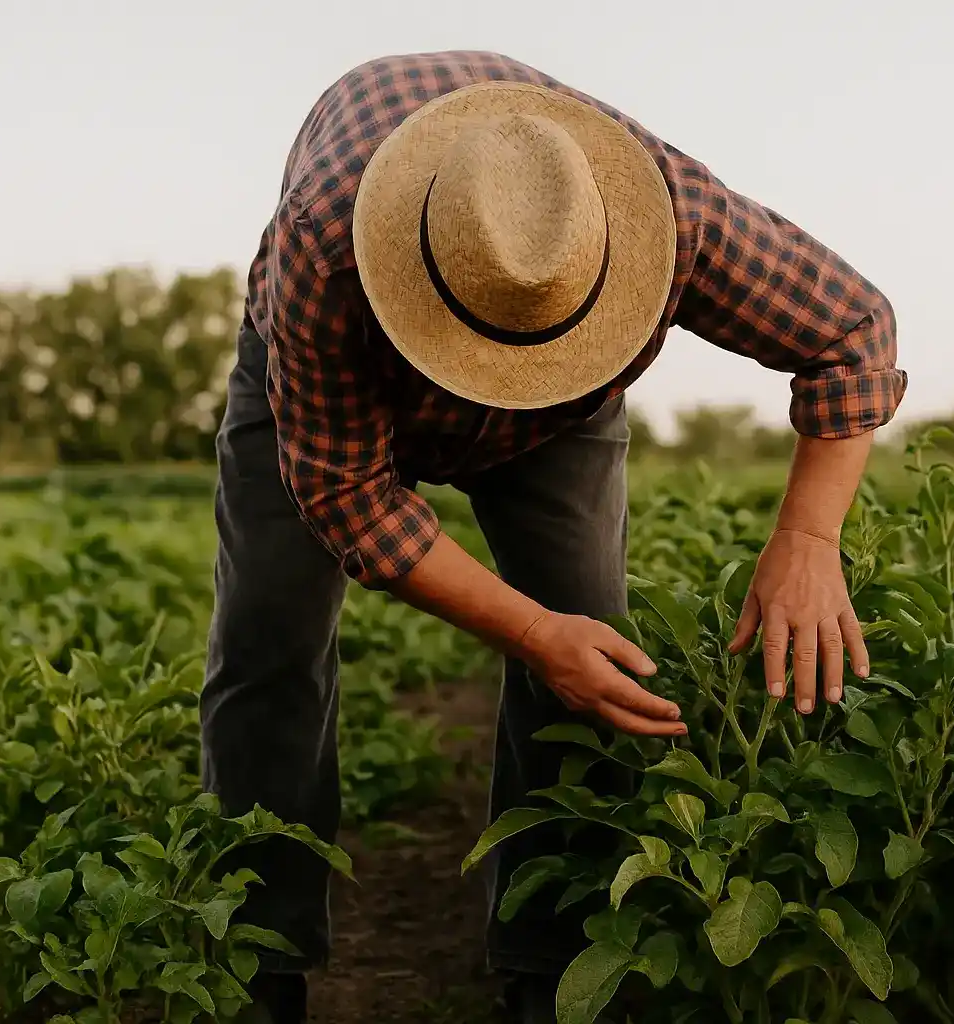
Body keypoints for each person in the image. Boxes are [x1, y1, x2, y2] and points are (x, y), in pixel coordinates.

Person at [200, 50, 907, 1024]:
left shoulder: (671, 217)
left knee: (593, 644)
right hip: (342, 370)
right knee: (266, 638)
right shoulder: (324, 250)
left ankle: (554, 964)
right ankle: (252, 959)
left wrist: (810, 542)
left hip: (564, 415)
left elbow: (854, 329)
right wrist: (528, 635)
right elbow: (347, 498)